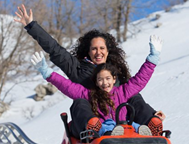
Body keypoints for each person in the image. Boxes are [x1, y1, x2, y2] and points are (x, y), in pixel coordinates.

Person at [14, 4, 165, 138]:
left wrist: (152, 113)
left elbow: (138, 82)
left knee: (134, 96)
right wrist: (32, 26)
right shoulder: (78, 69)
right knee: (79, 102)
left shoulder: (116, 72)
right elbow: (56, 51)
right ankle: (94, 127)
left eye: (102, 48)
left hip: (122, 121)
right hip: (91, 121)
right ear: (88, 51)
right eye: (94, 49)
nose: (98, 52)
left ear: (108, 51)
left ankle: (151, 123)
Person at [30, 35, 162, 137]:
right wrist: (46, 71)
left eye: (108, 79)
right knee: (105, 125)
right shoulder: (89, 94)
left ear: (114, 79)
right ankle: (100, 131)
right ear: (96, 81)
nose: (105, 83)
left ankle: (149, 129)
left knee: (133, 124)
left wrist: (153, 57)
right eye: (100, 80)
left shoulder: (123, 91)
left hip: (124, 126)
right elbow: (66, 86)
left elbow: (140, 80)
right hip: (105, 126)